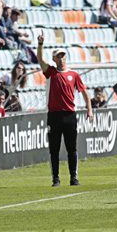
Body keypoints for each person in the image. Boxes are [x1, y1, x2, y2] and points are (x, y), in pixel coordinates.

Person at [37, 34, 93, 187]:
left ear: (66, 57)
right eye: (58, 56)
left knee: (72, 149)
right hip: (54, 116)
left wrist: (89, 110)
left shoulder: (73, 74)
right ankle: (55, 178)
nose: (61, 59)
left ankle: (73, 178)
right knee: (54, 150)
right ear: (54, 59)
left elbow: (84, 92)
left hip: (69, 115)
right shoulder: (51, 72)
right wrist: (40, 44)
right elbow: (40, 59)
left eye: (62, 56)